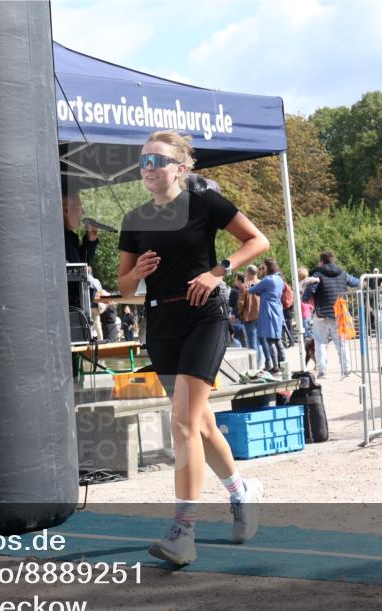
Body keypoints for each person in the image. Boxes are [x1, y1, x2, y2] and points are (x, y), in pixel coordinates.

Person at [117, 129, 270, 566]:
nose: (147, 168)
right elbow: (124, 287)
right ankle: (242, 492)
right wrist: (137, 274)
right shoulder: (135, 219)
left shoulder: (204, 202)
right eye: (143, 161)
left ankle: (183, 531)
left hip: (205, 317)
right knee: (199, 424)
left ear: (180, 168)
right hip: (161, 325)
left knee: (181, 423)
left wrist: (217, 271)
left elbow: (257, 241)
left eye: (156, 161)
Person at [302, 250, 360, 378]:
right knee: (341, 342)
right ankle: (346, 370)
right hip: (339, 313)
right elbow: (356, 282)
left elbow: (309, 292)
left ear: (321, 261)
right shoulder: (343, 274)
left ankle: (322, 370)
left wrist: (304, 297)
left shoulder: (317, 274)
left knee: (320, 342)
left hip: (321, 313)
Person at [247, 258, 286, 373]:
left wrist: (250, 285)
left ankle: (275, 366)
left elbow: (252, 290)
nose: (261, 269)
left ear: (267, 267)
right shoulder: (279, 279)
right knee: (278, 340)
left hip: (268, 310)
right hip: (277, 309)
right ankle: (283, 364)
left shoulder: (267, 280)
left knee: (270, 340)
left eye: (262, 267)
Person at [63, 192, 99, 266]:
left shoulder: (72, 238)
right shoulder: (56, 239)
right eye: (79, 206)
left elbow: (82, 265)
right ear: (67, 210)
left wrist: (90, 240)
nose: (83, 211)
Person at [238, 265, 262, 364]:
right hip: (262, 316)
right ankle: (261, 363)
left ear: (248, 273)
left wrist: (240, 313)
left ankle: (255, 365)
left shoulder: (244, 286)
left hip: (249, 317)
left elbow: (241, 303)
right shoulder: (262, 283)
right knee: (261, 342)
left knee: (252, 343)